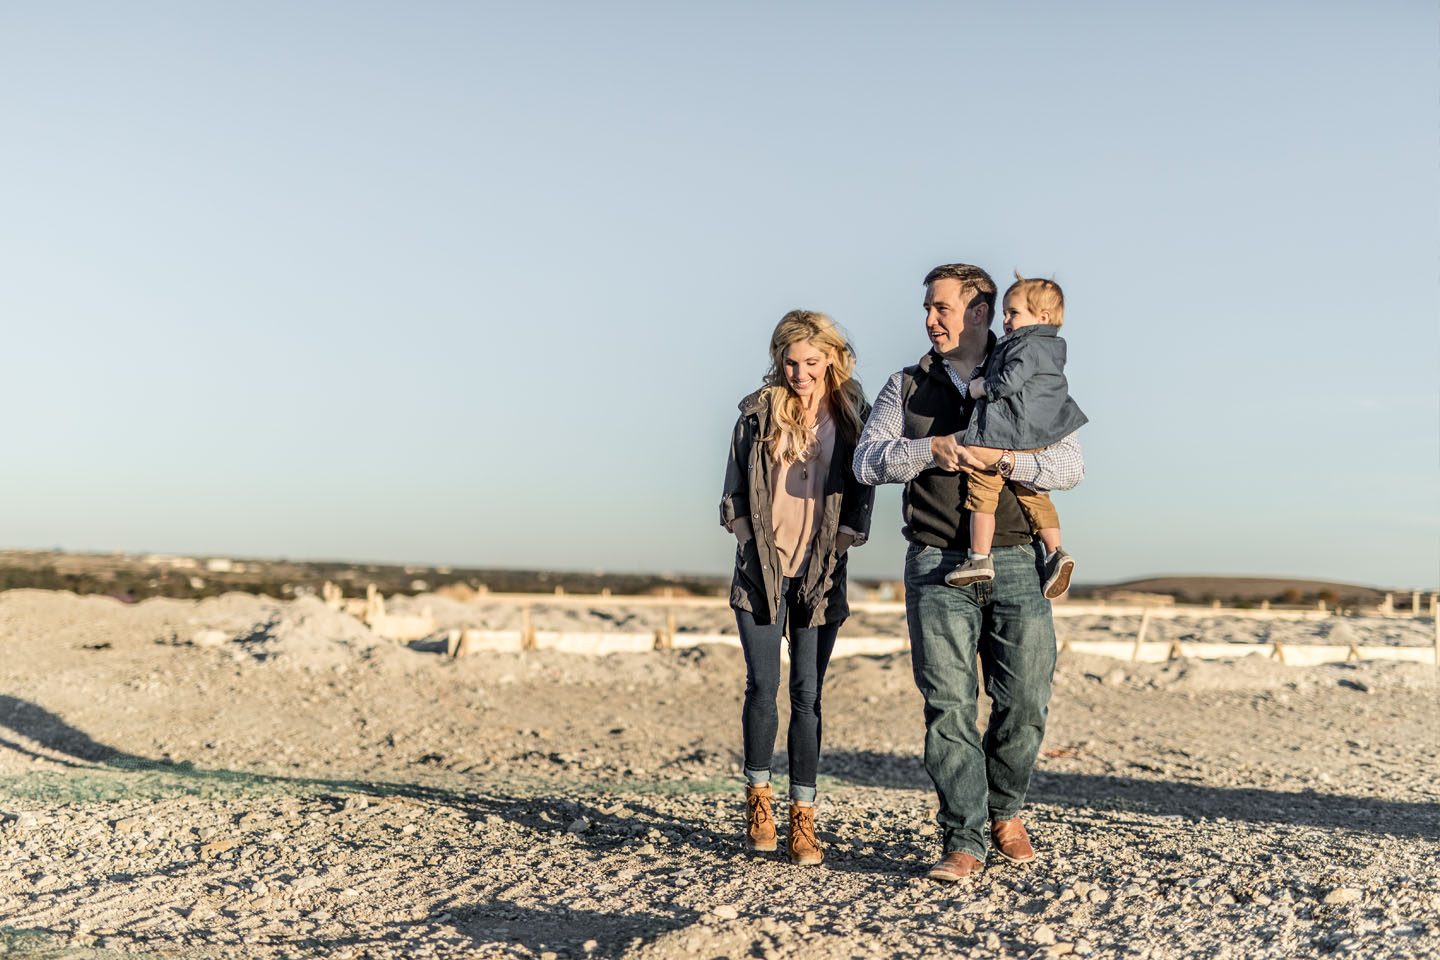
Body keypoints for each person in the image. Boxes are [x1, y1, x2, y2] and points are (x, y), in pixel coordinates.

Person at [852, 263, 1084, 882]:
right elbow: (867, 461)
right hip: (933, 563)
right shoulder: (905, 386)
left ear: (979, 313)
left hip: (1016, 564)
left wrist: (1004, 459)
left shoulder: (1028, 373)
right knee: (948, 706)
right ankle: (963, 837)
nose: (930, 320)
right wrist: (933, 449)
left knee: (1025, 700)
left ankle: (1004, 811)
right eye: (928, 309)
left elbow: (1069, 465)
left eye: (941, 308)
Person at [719, 309, 874, 866]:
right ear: (778, 360)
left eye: (811, 361)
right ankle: (758, 799)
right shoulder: (757, 412)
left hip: (820, 573)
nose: (800, 373)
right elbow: (734, 487)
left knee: (808, 695)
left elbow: (867, 479)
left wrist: (855, 529)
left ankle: (802, 820)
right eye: (791, 362)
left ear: (831, 357)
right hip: (760, 571)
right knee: (763, 687)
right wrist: (740, 532)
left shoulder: (854, 414)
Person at [945, 274, 1087, 597]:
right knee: (1035, 494)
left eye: (1013, 313)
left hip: (1005, 430)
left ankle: (979, 557)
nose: (1006, 320)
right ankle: (1055, 552)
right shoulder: (1051, 348)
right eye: (1006, 313)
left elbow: (1009, 381)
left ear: (1042, 318)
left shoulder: (1026, 345)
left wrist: (982, 388)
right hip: (1036, 435)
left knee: (982, 489)